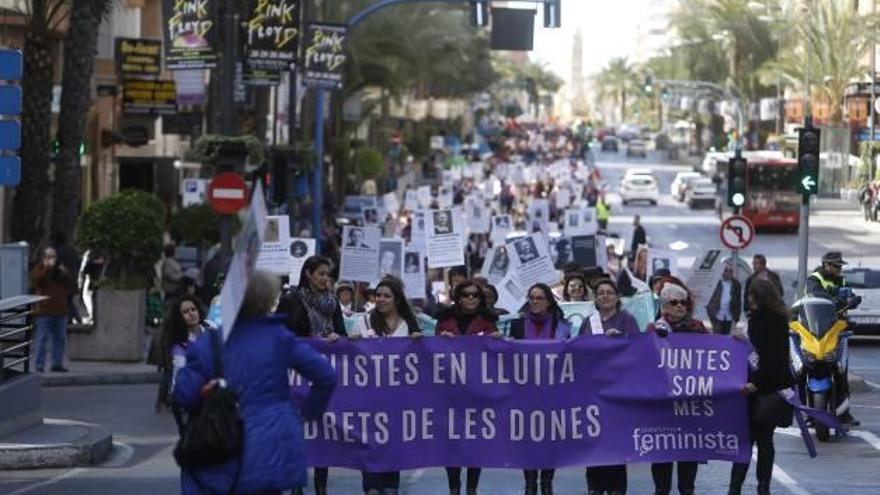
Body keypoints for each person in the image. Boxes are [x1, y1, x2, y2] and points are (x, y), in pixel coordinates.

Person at [173, 271, 337, 495]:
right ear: (268, 300)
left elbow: (183, 394)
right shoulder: (279, 337)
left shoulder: (209, 343)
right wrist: (308, 413)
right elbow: (326, 375)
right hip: (274, 445)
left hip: (222, 445)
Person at [275, 256, 346, 494]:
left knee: (321, 430)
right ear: (308, 274)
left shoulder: (333, 302)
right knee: (299, 429)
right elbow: (279, 334)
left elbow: (342, 334)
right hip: (296, 374)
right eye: (321, 274)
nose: (326, 279)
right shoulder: (291, 301)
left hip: (322, 375)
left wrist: (337, 338)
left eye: (328, 274)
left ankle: (321, 486)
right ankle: (297, 485)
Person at [349, 277, 422, 494]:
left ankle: (391, 485)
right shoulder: (364, 323)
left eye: (386, 295)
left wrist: (420, 342)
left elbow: (422, 361)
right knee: (370, 447)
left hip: (398, 401)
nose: (380, 299)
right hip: (368, 400)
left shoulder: (409, 325)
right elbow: (351, 360)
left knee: (393, 447)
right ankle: (371, 486)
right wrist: (348, 342)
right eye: (378, 295)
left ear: (397, 299)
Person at [728, 279, 794, 495]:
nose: (749, 299)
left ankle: (739, 486)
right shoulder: (759, 319)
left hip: (763, 390)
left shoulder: (772, 322)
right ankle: (760, 487)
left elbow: (773, 360)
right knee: (763, 441)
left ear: (758, 297)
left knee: (753, 441)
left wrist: (755, 384)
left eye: (751, 296)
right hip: (755, 389)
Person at [435, 280, 498, 495]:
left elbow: (496, 357)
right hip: (449, 392)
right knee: (451, 442)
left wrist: (496, 341)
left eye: (475, 295)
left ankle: (472, 488)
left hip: (477, 392)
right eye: (466, 295)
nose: (470, 298)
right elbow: (432, 354)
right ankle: (454, 487)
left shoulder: (488, 321)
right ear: (458, 298)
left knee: (474, 443)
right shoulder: (444, 320)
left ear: (481, 299)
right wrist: (440, 340)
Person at [509, 283, 572, 495]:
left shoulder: (562, 326)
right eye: (531, 298)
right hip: (524, 392)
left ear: (549, 301)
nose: (534, 302)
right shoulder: (517, 325)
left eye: (539, 298)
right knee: (527, 439)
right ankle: (529, 483)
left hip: (553, 392)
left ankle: (546, 483)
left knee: (549, 439)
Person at [647, 281, 708, 495]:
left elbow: (716, 357)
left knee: (687, 456)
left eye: (683, 302)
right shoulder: (653, 329)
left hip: (689, 402)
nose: (680, 306)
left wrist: (736, 340)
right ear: (664, 306)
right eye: (674, 302)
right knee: (662, 459)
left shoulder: (698, 328)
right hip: (662, 404)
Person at [578, 279, 638, 495]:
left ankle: (616, 488)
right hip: (592, 390)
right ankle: (594, 486)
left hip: (617, 390)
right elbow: (578, 351)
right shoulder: (588, 322)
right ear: (595, 297)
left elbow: (637, 350)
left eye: (609, 292)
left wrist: (621, 339)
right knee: (593, 440)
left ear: (617, 297)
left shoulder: (626, 320)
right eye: (600, 292)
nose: (605, 296)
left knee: (615, 441)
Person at [803, 251, 858, 426]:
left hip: (837, 331)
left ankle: (844, 413)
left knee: (841, 371)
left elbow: (848, 296)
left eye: (840, 266)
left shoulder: (841, 280)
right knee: (801, 369)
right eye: (836, 266)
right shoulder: (814, 279)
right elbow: (817, 295)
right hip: (815, 331)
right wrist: (838, 297)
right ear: (826, 265)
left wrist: (853, 300)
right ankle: (806, 411)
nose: (839, 269)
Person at [157, 295, 207, 432]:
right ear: (179, 318)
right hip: (190, 400)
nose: (191, 313)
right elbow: (178, 375)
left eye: (193, 309)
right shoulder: (180, 346)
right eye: (185, 312)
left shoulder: (211, 333)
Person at [30, 247, 72, 373]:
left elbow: (70, 284)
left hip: (60, 309)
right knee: (42, 338)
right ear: (44, 258)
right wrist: (47, 268)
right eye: (49, 256)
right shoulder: (39, 269)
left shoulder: (61, 270)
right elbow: (36, 281)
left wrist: (64, 272)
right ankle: (39, 364)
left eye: (53, 256)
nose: (52, 259)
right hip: (45, 310)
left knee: (60, 338)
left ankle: (57, 363)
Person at [706, 263, 742, 335]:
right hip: (717, 316)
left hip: (730, 316)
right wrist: (712, 313)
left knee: (728, 337)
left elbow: (738, 301)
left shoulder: (736, 284)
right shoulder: (715, 282)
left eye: (730, 271)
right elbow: (709, 299)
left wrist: (736, 317)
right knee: (717, 338)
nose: (728, 273)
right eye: (726, 270)